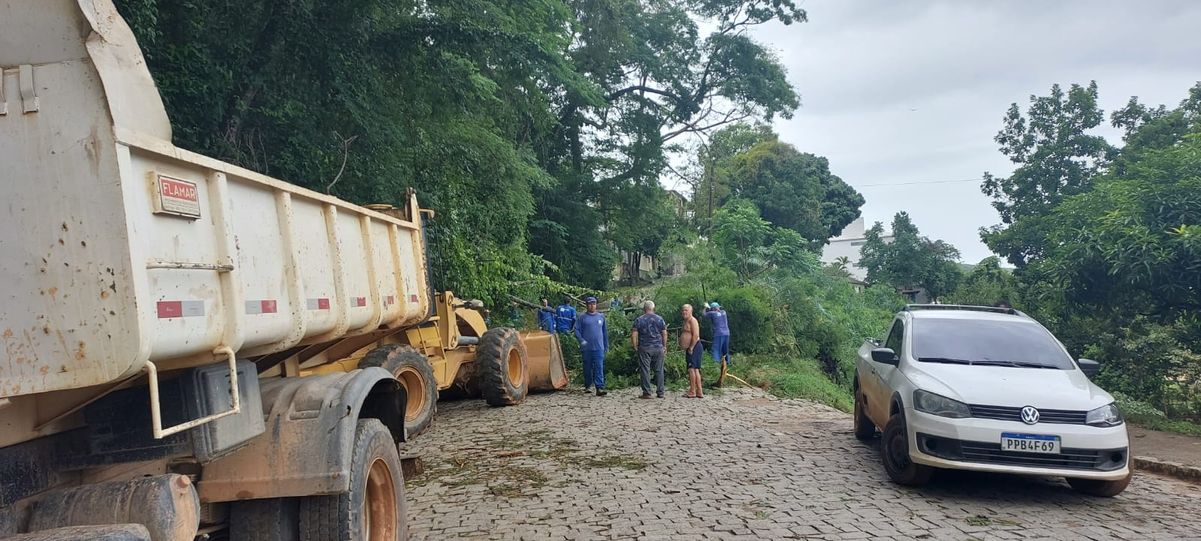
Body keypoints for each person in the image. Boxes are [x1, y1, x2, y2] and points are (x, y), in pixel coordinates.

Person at [631, 300, 668, 399]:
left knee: (645, 370)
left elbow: (634, 334)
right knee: (659, 370)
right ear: (653, 308)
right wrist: (664, 346)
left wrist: (635, 346)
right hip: (658, 347)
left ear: (644, 309)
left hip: (644, 347)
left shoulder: (639, 320)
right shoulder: (660, 319)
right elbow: (664, 333)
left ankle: (647, 392)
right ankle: (660, 392)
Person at [574, 296, 609, 396]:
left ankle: (599, 388)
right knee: (587, 368)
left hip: (599, 347)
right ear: (586, 305)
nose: (592, 306)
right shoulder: (582, 317)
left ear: (596, 305)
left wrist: (606, 345)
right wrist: (581, 340)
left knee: (599, 367)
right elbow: (576, 330)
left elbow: (604, 332)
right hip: (586, 348)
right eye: (589, 304)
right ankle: (588, 385)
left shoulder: (601, 317)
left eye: (593, 304)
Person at [680, 304, 703, 398]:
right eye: (683, 310)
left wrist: (691, 347)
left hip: (694, 347)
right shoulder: (686, 321)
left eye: (686, 310)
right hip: (690, 347)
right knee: (695, 369)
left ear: (691, 311)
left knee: (691, 369)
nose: (684, 312)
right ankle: (699, 391)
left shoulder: (692, 320)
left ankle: (693, 391)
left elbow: (696, 335)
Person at [704, 302, 732, 367]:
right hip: (727, 333)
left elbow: (704, 314)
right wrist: (710, 308)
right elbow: (716, 312)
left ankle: (716, 364)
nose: (719, 308)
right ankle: (728, 363)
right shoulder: (723, 312)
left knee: (716, 349)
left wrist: (705, 307)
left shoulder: (712, 313)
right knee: (725, 349)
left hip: (719, 333)